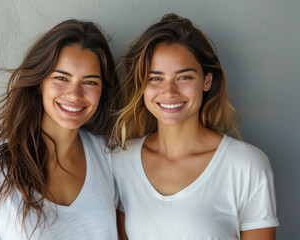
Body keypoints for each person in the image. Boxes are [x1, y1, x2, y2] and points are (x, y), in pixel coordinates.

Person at [111, 13, 279, 240]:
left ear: (206, 81)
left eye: (184, 77)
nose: (169, 92)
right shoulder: (121, 160)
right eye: (155, 78)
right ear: (141, 84)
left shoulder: (247, 165)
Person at [0, 19, 119, 240]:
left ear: (102, 90)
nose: (75, 94)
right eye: (62, 78)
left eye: (89, 82)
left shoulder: (111, 158)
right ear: (40, 82)